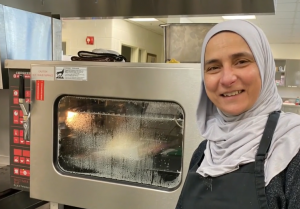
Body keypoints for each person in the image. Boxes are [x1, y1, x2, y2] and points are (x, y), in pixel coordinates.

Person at [176, 20, 300, 209]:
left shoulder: (291, 146)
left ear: (265, 67)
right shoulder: (205, 151)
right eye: (213, 67)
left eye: (241, 62)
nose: (227, 79)